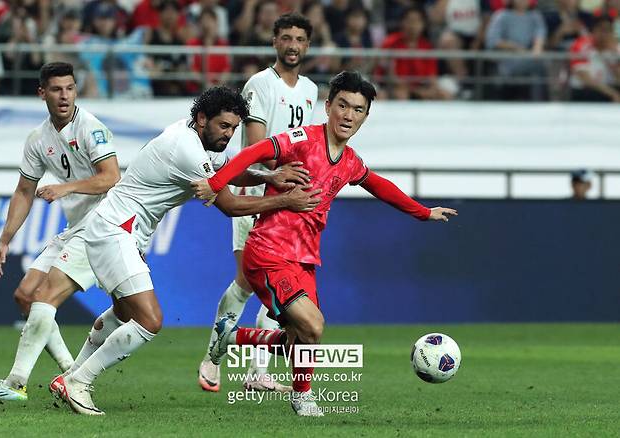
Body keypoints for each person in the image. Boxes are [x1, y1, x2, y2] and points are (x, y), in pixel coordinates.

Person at [192, 71, 457, 416]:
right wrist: (216, 182)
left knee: (301, 341)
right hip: (269, 250)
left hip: (303, 259)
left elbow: (379, 185)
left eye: (357, 110)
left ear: (365, 116)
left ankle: (233, 337)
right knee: (314, 324)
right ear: (328, 106)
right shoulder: (304, 139)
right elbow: (256, 151)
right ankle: (303, 398)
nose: (348, 115)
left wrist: (423, 212)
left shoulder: (349, 162)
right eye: (342, 105)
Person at [49, 86, 322, 416]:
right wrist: (286, 199)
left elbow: (228, 168)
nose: (229, 134)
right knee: (149, 320)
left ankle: (70, 375)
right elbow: (230, 204)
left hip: (123, 232)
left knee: (122, 314)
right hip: (115, 231)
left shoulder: (194, 137)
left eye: (234, 128)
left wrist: (268, 175)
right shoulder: (186, 149)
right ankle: (80, 382)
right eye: (224, 126)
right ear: (202, 119)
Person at [0, 62, 120, 402]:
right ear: (42, 93)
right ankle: (71, 374)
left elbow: (111, 176)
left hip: (103, 224)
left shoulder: (90, 128)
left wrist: (67, 188)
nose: (64, 95)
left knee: (45, 295)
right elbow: (24, 191)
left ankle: (15, 382)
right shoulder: (39, 139)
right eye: (56, 89)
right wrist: (4, 240)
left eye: (69, 88)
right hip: (75, 226)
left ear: (76, 91)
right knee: (25, 295)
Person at [197, 12, 318, 394]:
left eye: (299, 39)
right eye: (286, 38)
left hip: (290, 197)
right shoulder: (260, 84)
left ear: (307, 45)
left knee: (280, 282)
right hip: (258, 193)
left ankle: (258, 372)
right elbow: (254, 146)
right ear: (274, 42)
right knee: (248, 280)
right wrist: (285, 173)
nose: (293, 45)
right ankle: (212, 356)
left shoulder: (312, 90)